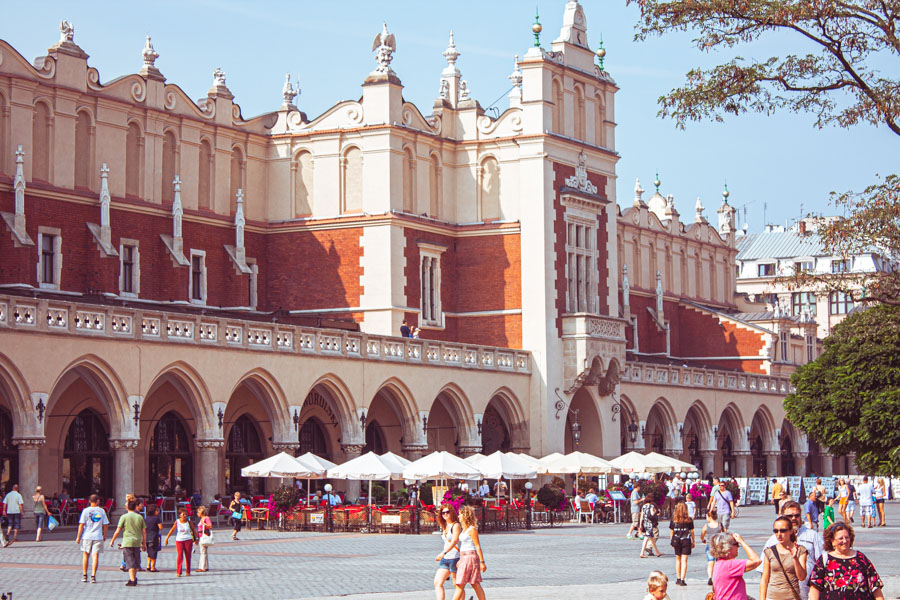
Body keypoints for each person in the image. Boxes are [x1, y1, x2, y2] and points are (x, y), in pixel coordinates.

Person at [759, 500, 825, 600]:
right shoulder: (773, 540)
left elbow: (822, 564)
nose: (793, 518)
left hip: (807, 593)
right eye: (789, 516)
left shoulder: (813, 536)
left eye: (797, 515)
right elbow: (764, 574)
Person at [809, 522, 884, 600]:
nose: (844, 541)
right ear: (832, 541)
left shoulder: (861, 558)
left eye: (847, 537)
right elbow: (814, 588)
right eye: (840, 538)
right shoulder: (824, 559)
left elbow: (875, 587)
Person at [760, 515, 808, 600]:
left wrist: (795, 558)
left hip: (792, 597)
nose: (779, 534)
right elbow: (764, 578)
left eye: (783, 531)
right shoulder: (770, 551)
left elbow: (802, 577)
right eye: (776, 531)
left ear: (791, 531)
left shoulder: (800, 550)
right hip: (772, 597)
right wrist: (762, 598)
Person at [710, 531, 762, 600]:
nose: (738, 546)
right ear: (728, 547)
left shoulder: (719, 564)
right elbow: (756, 561)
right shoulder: (729, 565)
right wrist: (742, 542)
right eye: (736, 544)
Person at [108, 499, 147, 587]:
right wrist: (144, 543)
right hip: (137, 541)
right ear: (136, 507)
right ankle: (133, 578)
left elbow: (118, 530)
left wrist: (112, 540)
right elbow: (144, 532)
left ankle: (132, 580)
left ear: (127, 507)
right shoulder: (140, 517)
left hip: (127, 542)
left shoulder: (124, 517)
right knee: (136, 561)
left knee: (130, 561)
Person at [451, 505, 486, 600]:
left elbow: (477, 546)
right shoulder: (464, 530)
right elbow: (463, 546)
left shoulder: (472, 529)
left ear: (465, 515)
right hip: (464, 557)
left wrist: (482, 562)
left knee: (463, 584)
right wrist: (460, 560)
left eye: (460, 514)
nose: (458, 517)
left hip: (471, 557)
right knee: (473, 583)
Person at [75, 494, 109, 584]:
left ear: (89, 501)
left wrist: (78, 537)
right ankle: (93, 576)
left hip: (87, 536)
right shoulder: (101, 511)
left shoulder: (85, 511)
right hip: (98, 536)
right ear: (97, 501)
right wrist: (105, 535)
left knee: (85, 555)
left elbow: (81, 524)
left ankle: (84, 575)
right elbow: (105, 524)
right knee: (95, 556)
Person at [434, 503, 461, 600]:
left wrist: (443, 553)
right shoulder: (445, 525)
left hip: (455, 557)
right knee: (438, 582)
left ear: (452, 513)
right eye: (443, 513)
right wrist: (444, 554)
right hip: (445, 559)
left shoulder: (456, 525)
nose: (445, 514)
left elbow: (454, 541)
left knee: (457, 585)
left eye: (447, 512)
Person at [668, 501, 694, 586]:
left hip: (676, 540)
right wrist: (693, 541)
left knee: (678, 559)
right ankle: (683, 579)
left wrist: (671, 541)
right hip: (686, 540)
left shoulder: (673, 520)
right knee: (684, 560)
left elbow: (671, 532)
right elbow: (692, 532)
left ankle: (678, 578)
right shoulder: (689, 520)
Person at [164, 509, 197, 577]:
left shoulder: (189, 521)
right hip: (179, 540)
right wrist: (167, 538)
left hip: (188, 539)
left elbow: (193, 529)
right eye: (183, 514)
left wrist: (197, 538)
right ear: (179, 515)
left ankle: (188, 571)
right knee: (179, 556)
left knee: (188, 556)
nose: (185, 516)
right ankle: (179, 571)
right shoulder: (177, 522)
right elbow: (172, 530)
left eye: (185, 514)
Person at [701, 508, 721, 586]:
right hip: (718, 546)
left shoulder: (706, 526)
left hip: (710, 546)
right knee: (718, 562)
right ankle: (718, 577)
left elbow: (702, 535)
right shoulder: (719, 525)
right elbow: (724, 533)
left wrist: (703, 539)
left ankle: (710, 577)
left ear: (709, 516)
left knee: (710, 562)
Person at [639, 494, 663, 559]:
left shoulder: (643, 506)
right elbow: (652, 514)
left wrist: (640, 525)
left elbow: (641, 516)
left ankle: (657, 552)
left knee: (651, 538)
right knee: (647, 538)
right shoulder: (651, 506)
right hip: (650, 523)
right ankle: (642, 552)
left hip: (645, 523)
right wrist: (655, 511)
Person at [143, 504, 162, 572]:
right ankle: (153, 567)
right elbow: (160, 527)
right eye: (157, 510)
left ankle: (148, 565)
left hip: (147, 536)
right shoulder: (157, 518)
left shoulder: (146, 518)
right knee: (154, 552)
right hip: (154, 536)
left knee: (149, 552)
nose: (158, 512)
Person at [195, 505, 213, 572]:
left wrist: (204, 524)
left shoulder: (206, 518)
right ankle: (205, 566)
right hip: (200, 536)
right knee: (203, 551)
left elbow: (210, 526)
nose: (197, 514)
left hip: (204, 536)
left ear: (201, 513)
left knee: (203, 552)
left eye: (198, 512)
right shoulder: (202, 519)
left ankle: (202, 567)